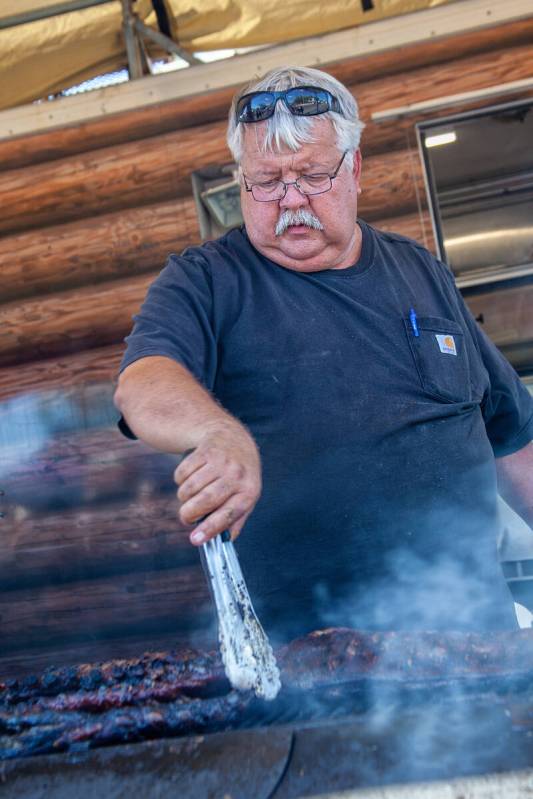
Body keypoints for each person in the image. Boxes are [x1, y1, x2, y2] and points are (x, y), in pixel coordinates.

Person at [114, 66, 533, 642]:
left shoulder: (419, 270)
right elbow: (144, 381)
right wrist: (216, 433)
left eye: (312, 176)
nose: (290, 201)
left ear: (354, 168)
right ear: (241, 181)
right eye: (265, 181)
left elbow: (510, 434)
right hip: (313, 667)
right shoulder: (206, 280)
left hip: (475, 646)